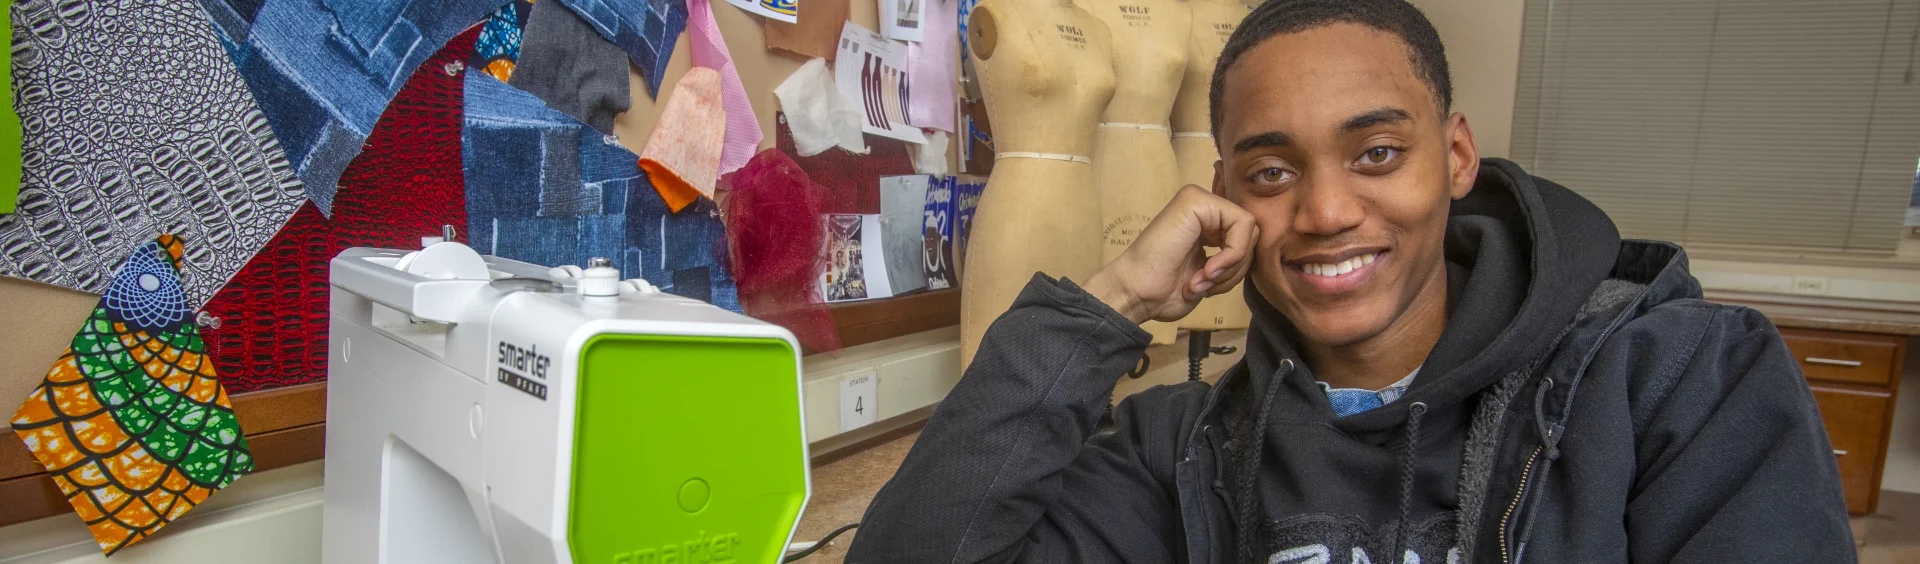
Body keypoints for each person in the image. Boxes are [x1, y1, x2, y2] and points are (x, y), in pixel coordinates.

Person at [844, 0, 1857, 562]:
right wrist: (1113, 303)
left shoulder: (1680, 381)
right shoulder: (1181, 450)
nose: (1326, 211)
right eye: (1274, 172)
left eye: (1376, 154)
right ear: (1224, 193)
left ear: (1456, 158)